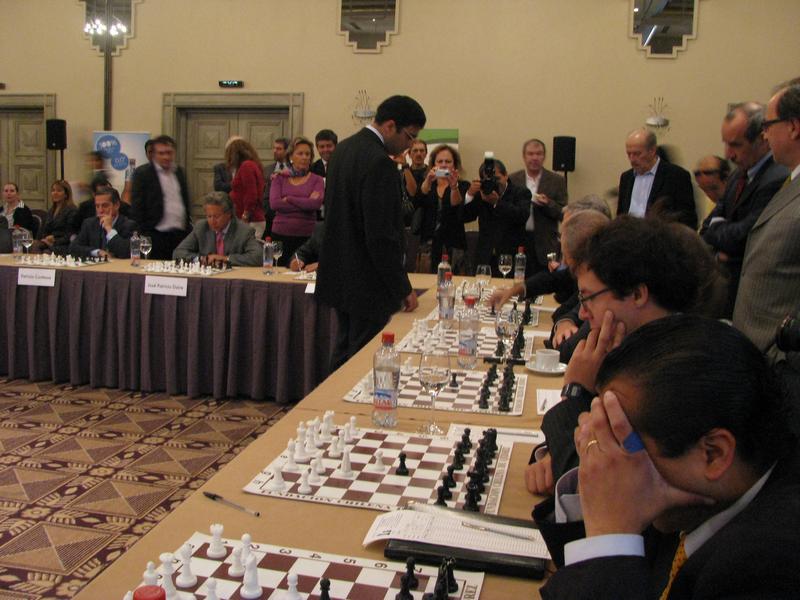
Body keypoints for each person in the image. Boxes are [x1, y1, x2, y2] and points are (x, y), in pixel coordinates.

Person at [535, 314, 800, 599]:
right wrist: (594, 492)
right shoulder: (694, 496)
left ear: (713, 454)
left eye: (619, 437)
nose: (606, 454)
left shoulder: (767, 566)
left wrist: (609, 538)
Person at [530, 216, 725, 495]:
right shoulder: (645, 349)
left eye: (587, 297)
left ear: (637, 294)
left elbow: (604, 487)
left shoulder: (676, 374)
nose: (582, 313)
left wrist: (575, 393)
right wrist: (552, 454)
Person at [316, 94, 426, 370]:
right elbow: (380, 235)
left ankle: (332, 397)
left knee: (343, 354)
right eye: (410, 136)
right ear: (390, 126)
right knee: (361, 362)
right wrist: (402, 286)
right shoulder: (379, 162)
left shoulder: (343, 150)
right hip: (367, 281)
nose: (410, 145)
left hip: (339, 273)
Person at [734, 83, 800, 424]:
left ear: (793, 127)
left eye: (768, 125)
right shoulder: (790, 181)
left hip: (784, 364)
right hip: (763, 360)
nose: (764, 135)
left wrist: (786, 350)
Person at [700, 102, 789, 318]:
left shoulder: (775, 178)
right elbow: (706, 227)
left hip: (751, 295)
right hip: (726, 290)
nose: (727, 154)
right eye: (725, 144)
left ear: (762, 139)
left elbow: (745, 238)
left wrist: (720, 232)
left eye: (736, 145)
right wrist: (721, 238)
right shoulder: (737, 175)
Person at [617, 128, 697, 229]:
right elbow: (621, 214)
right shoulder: (626, 178)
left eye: (637, 154)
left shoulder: (676, 176)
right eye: (629, 154)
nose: (632, 159)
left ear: (652, 151)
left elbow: (687, 217)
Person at [509, 139, 568, 275]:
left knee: (544, 283)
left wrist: (548, 203)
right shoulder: (513, 180)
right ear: (524, 156)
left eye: (538, 154)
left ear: (544, 156)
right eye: (530, 154)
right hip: (518, 241)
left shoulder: (557, 181)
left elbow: (563, 213)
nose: (534, 158)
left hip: (545, 243)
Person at [463, 157, 528, 277]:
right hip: (484, 257)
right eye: (489, 180)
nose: (494, 183)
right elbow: (465, 217)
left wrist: (497, 203)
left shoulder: (520, 193)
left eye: (497, 179)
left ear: (506, 175)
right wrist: (469, 195)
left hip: (509, 258)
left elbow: (521, 216)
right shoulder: (482, 193)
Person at [130, 134, 191, 260]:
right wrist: (143, 232)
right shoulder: (143, 174)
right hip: (155, 234)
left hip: (179, 234)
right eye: (161, 153)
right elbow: (137, 207)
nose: (166, 157)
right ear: (154, 155)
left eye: (169, 153)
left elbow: (184, 200)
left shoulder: (179, 172)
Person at [412, 144, 469, 273]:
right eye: (440, 161)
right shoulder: (427, 184)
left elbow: (457, 208)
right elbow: (417, 203)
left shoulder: (463, 185)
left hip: (454, 245)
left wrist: (454, 187)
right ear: (433, 164)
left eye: (448, 161)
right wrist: (428, 181)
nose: (443, 165)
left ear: (454, 165)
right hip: (428, 246)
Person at [268, 137, 325, 265]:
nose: (304, 157)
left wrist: (289, 199)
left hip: (307, 237)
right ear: (291, 157)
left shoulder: (317, 180)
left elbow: (315, 204)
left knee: (304, 271)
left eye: (307, 154)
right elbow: (275, 204)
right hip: (280, 234)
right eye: (300, 153)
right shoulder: (279, 178)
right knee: (278, 271)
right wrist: (305, 201)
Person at [173, 191, 261, 266]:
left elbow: (258, 257)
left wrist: (225, 259)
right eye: (209, 216)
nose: (212, 221)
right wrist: (201, 259)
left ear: (229, 214)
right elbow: (178, 253)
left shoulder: (244, 231)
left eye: (217, 216)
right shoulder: (201, 227)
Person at [69, 186, 137, 259]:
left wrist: (109, 229)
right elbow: (73, 248)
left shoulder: (129, 225)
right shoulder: (89, 223)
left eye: (105, 206)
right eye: (97, 206)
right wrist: (97, 252)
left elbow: (126, 252)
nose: (100, 210)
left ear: (117, 205)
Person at [226, 138, 266, 239]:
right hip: (248, 218)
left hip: (251, 220)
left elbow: (251, 194)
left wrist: (245, 215)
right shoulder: (251, 165)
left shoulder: (246, 166)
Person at [31, 180, 78, 255]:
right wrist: (43, 239)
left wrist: (54, 240)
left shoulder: (72, 210)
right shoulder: (51, 210)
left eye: (59, 191)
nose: (55, 193)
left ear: (66, 194)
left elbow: (70, 235)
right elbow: (44, 230)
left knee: (46, 252)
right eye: (53, 190)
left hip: (64, 244)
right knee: (34, 244)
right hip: (49, 242)